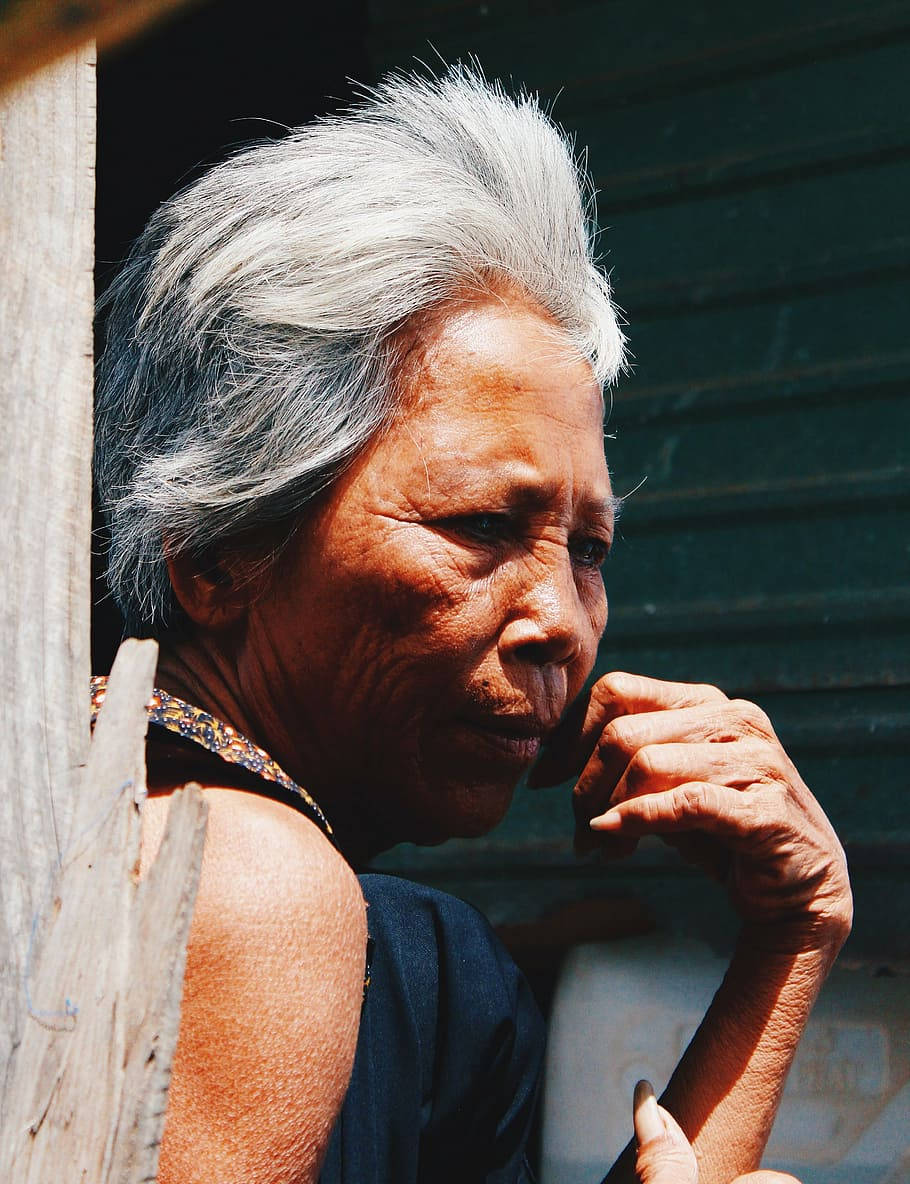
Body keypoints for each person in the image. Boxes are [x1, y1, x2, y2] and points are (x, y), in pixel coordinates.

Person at [93, 67, 852, 1184]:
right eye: (480, 524)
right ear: (218, 552)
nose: (561, 622)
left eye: (587, 548)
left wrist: (789, 940)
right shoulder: (240, 877)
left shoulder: (430, 978)